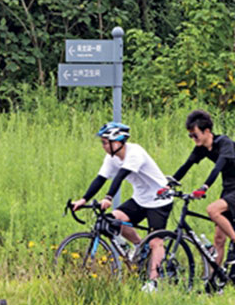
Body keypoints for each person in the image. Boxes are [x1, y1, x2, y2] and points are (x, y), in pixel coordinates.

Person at [71, 121, 171, 290]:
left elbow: (121, 176)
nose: (103, 146)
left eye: (105, 142)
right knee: (113, 220)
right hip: (140, 199)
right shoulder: (112, 158)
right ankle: (140, 246)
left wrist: (108, 197)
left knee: (156, 241)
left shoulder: (135, 152)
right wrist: (83, 199)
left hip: (159, 200)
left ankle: (153, 282)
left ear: (116, 142)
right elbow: (101, 178)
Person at [167, 109, 235, 266]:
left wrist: (204, 187)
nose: (193, 139)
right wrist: (168, 185)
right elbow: (186, 166)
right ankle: (214, 283)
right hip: (229, 188)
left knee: (212, 210)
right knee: (219, 239)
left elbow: (218, 167)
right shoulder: (201, 149)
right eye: (190, 136)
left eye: (195, 135)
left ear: (207, 131)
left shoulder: (224, 143)